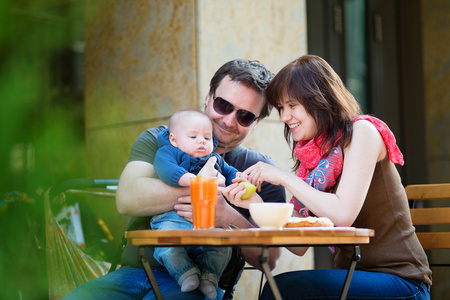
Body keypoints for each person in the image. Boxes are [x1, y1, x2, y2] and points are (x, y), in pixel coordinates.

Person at [63, 58, 286, 300]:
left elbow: (270, 261)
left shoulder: (260, 171)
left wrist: (229, 218)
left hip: (201, 285)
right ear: (208, 97)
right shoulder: (161, 139)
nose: (229, 120)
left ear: (257, 123)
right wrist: (203, 187)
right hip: (133, 273)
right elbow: (127, 198)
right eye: (223, 105)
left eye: (244, 116)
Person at [231, 55, 431, 299]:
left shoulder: (362, 132)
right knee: (279, 287)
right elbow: (300, 245)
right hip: (353, 276)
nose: (284, 117)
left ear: (320, 99)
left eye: (292, 106)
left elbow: (342, 215)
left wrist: (285, 178)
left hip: (402, 281)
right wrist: (255, 205)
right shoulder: (315, 155)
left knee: (283, 289)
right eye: (281, 108)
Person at [152, 109, 245, 299]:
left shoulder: (215, 159)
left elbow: (229, 172)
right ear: (174, 140)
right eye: (193, 136)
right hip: (172, 218)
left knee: (221, 243)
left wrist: (240, 179)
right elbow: (166, 169)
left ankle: (209, 278)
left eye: (207, 137)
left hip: (206, 222)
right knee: (165, 243)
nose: (201, 141)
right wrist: (194, 181)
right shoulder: (168, 152)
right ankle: (185, 274)